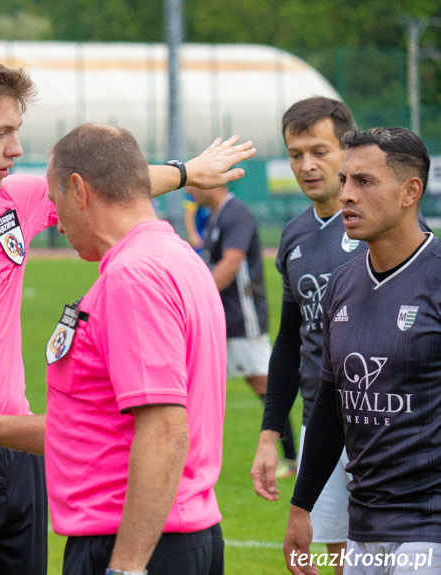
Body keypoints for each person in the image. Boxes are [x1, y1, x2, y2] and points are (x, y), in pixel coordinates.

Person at [0, 50, 255, 575]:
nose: (16, 149)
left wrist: (185, 172)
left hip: (26, 454)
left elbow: (108, 189)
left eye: (16, 130)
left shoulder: (8, 200)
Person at [0, 123, 228, 575]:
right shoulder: (176, 256)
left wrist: (125, 568)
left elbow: (165, 431)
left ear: (78, 189)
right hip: (174, 537)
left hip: (135, 544)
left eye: (54, 198)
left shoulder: (134, 276)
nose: (54, 214)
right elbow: (96, 424)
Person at [284, 127, 441, 575]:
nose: (345, 194)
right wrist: (302, 508)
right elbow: (330, 409)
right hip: (364, 529)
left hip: (430, 526)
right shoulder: (341, 286)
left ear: (411, 191)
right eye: (346, 180)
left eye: (364, 182)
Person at [250, 97, 359, 572]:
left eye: (320, 151)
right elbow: (290, 343)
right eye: (296, 154)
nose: (307, 166)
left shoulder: (384, 225)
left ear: (348, 151)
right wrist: (268, 436)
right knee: (338, 556)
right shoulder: (294, 237)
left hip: (384, 419)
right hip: (321, 422)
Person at [190, 183, 298, 470]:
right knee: (201, 387)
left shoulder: (236, 213)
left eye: (194, 185)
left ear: (212, 183)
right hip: (220, 319)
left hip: (243, 318)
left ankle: (292, 457)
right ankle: (194, 460)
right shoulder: (214, 215)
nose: (190, 192)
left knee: (265, 386)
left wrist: (196, 295)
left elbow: (232, 261)